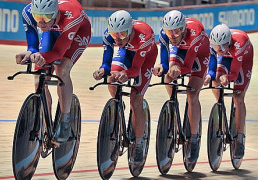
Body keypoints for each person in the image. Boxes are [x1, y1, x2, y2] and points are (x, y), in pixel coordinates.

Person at [15, 0, 91, 142]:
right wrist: (30, 54)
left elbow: (58, 52)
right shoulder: (28, 13)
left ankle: (65, 118)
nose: (41, 23)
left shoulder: (72, 16)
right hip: (53, 31)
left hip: (77, 34)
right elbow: (32, 47)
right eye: (38, 18)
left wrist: (42, 56)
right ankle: (46, 124)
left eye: (46, 18)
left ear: (56, 13)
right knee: (39, 78)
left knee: (61, 69)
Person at [93, 10, 158, 165]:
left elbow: (135, 70)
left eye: (122, 35)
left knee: (136, 100)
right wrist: (102, 70)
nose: (118, 39)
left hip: (145, 58)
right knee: (112, 78)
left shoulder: (144, 37)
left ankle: (139, 143)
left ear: (130, 30)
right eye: (115, 36)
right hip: (127, 52)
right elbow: (106, 62)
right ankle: (117, 104)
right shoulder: (111, 35)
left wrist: (126, 74)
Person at [153, 10, 210, 163]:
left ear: (183, 29)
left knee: (192, 94)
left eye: (176, 31)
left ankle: (193, 138)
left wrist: (176, 68)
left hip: (199, 54)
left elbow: (188, 65)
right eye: (169, 31)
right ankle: (174, 104)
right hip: (181, 50)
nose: (172, 35)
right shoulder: (165, 34)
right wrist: (163, 68)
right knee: (168, 75)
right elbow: (165, 60)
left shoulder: (194, 32)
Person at [204, 24, 253, 159]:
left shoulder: (239, 43)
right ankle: (221, 107)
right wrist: (209, 75)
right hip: (227, 57)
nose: (219, 50)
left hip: (243, 60)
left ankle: (240, 137)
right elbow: (213, 66)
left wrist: (228, 77)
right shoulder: (215, 45)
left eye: (222, 46)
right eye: (216, 47)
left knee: (238, 98)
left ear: (229, 42)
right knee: (216, 80)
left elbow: (235, 73)